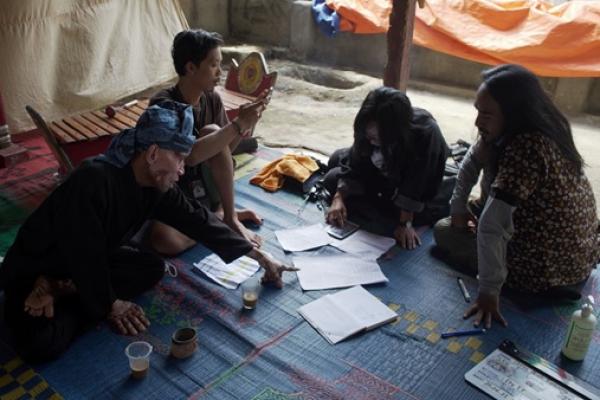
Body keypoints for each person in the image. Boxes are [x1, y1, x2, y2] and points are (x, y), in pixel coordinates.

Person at [0, 102, 294, 362]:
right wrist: (111, 305)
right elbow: (82, 254)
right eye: (179, 158)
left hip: (88, 266)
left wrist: (260, 256)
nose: (182, 170)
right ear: (153, 153)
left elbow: (200, 220)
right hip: (39, 265)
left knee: (151, 267)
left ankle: (67, 292)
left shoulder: (156, 185)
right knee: (41, 345)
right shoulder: (93, 181)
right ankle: (65, 293)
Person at [460, 64, 599, 329]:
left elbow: (491, 227)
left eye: (486, 114)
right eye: (478, 111)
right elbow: (472, 171)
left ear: (512, 114)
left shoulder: (525, 148)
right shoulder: (550, 129)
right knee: (471, 212)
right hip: (579, 260)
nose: (478, 122)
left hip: (541, 273)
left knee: (445, 232)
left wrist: (489, 291)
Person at [148, 29, 266, 255]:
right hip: (175, 188)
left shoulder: (211, 99)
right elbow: (189, 156)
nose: (219, 72)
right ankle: (217, 218)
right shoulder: (163, 104)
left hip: (205, 187)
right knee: (163, 240)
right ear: (191, 68)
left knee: (214, 131)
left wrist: (244, 126)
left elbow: (225, 151)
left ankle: (228, 217)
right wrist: (236, 126)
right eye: (214, 65)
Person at [322, 86, 449, 249]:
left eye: (375, 137)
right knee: (334, 167)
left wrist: (405, 224)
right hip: (382, 175)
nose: (370, 141)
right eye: (369, 136)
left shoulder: (426, 133)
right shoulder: (367, 124)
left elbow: (416, 184)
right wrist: (338, 197)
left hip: (408, 189)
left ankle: (386, 213)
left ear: (393, 133)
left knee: (419, 211)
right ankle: (371, 203)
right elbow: (357, 157)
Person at [432, 136, 499, 271]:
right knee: (442, 228)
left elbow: (503, 215)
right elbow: (469, 166)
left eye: (486, 114)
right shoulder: (493, 138)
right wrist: (459, 208)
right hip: (486, 214)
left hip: (511, 236)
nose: (478, 122)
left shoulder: (522, 153)